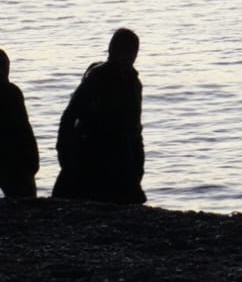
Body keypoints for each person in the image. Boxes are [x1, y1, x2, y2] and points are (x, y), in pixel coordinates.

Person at [53, 28, 146, 204]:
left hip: (120, 156)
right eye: (126, 52)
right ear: (112, 51)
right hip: (92, 153)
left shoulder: (133, 83)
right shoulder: (97, 77)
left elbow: (135, 129)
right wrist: (66, 156)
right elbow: (70, 116)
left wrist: (138, 164)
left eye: (132, 53)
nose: (129, 58)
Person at [0, 48, 40, 199]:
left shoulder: (12, 92)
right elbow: (23, 129)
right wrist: (32, 159)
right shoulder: (12, 92)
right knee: (25, 199)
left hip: (11, 158)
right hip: (13, 158)